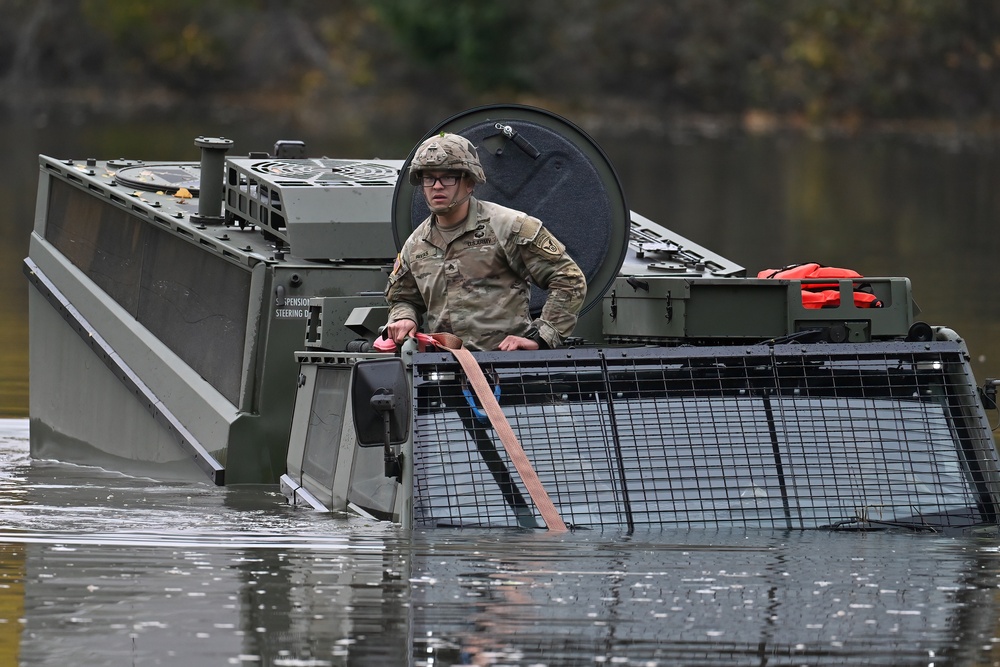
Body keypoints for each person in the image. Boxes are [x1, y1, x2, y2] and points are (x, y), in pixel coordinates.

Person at [384, 132, 586, 351]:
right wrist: (404, 318)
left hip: (508, 369)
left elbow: (568, 279)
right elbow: (402, 297)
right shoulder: (416, 244)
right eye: (429, 178)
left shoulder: (510, 227)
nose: (437, 186)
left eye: (448, 177)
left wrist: (541, 338)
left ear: (470, 182)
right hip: (443, 373)